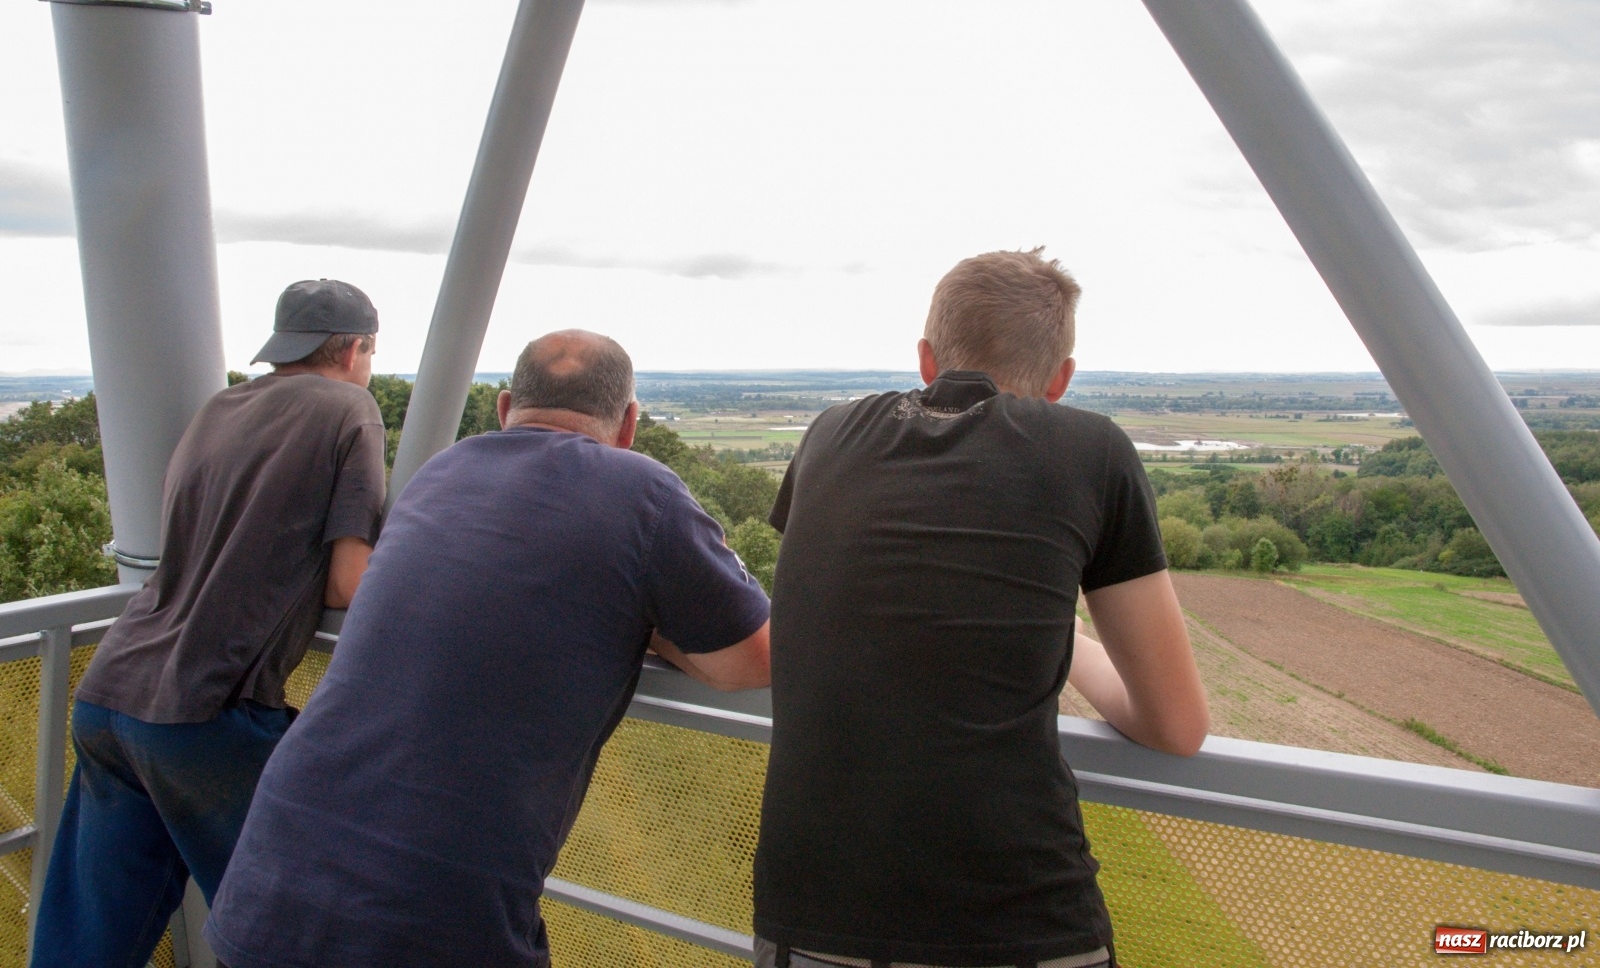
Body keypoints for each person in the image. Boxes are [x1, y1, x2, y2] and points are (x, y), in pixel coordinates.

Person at [204, 329, 771, 968]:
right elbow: (750, 661)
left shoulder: (440, 471)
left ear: (505, 409)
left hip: (269, 885)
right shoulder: (645, 494)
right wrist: (649, 617)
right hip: (426, 916)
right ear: (629, 424)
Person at [752, 249, 1210, 968]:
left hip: (806, 915)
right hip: (1012, 922)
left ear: (927, 357)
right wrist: (1070, 637)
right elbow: (1177, 725)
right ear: (1061, 379)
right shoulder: (1094, 450)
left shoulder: (827, 435)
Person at [33, 279, 386, 968]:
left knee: (89, 940)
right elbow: (350, 581)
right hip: (205, 712)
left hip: (111, 695)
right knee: (288, 931)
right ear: (352, 349)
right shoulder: (351, 409)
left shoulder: (221, 406)